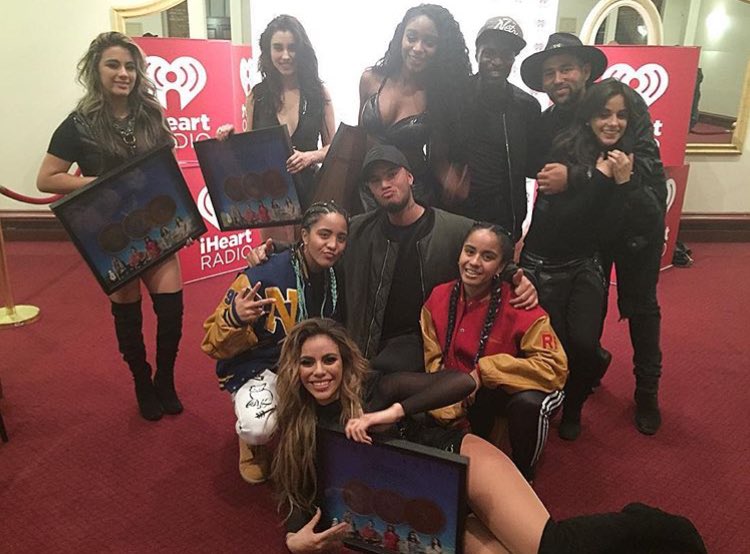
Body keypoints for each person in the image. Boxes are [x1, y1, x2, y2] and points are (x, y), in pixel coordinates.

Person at [272, 318, 706, 554]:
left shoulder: (375, 387)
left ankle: (646, 523)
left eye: (329, 359)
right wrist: (295, 541)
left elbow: (462, 382)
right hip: (422, 509)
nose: (320, 372)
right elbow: (296, 497)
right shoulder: (297, 428)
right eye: (308, 363)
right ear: (294, 368)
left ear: (344, 361)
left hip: (457, 461)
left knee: (550, 549)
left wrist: (391, 412)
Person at [522, 33, 666, 435]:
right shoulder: (550, 120)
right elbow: (538, 168)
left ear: (586, 70)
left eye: (566, 68)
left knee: (641, 307)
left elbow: (641, 168)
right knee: (591, 311)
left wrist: (578, 176)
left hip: (636, 226)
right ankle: (589, 367)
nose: (558, 79)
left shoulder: (621, 102)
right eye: (550, 73)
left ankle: (647, 392)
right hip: (590, 231)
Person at [37, 32, 183, 422]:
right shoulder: (78, 124)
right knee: (128, 314)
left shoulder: (151, 113)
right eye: (113, 65)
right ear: (95, 70)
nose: (123, 73)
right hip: (111, 232)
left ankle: (165, 379)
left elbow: (165, 166)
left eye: (130, 66)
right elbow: (47, 178)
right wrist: (102, 182)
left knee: (171, 311)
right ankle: (142, 382)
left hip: (158, 226)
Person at [345, 145, 537, 372]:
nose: (385, 184)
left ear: (409, 177)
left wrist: (519, 278)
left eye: (392, 174)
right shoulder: (358, 230)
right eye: (375, 180)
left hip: (434, 341)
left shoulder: (453, 229)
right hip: (373, 343)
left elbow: (492, 253)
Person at [520, 78, 637, 440]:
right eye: (604, 114)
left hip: (584, 262)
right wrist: (597, 177)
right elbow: (566, 217)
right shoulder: (563, 148)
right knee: (547, 345)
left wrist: (621, 183)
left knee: (584, 345)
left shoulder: (621, 157)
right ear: (588, 117)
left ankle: (573, 406)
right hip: (541, 262)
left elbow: (611, 229)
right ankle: (546, 404)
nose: (613, 123)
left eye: (621, 115)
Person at [201, 202, 348, 484]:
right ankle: (252, 445)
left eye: (341, 238)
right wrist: (235, 317)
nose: (332, 245)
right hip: (264, 365)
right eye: (324, 234)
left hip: (312, 363)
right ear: (304, 235)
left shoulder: (338, 275)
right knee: (259, 426)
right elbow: (210, 343)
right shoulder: (263, 274)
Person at [421, 223, 567, 480]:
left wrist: (486, 371)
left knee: (529, 405)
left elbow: (554, 368)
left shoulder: (520, 304)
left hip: (507, 390)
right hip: (461, 390)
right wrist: (447, 398)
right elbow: (433, 359)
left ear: (501, 267)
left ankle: (524, 472)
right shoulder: (439, 297)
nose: (474, 262)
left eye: (487, 257)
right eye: (470, 251)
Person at [216, 15, 335, 210]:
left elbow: (333, 148)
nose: (285, 56)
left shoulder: (318, 94)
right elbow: (248, 152)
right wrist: (230, 137)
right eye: (278, 48)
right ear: (268, 51)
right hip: (269, 198)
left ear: (302, 50)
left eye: (292, 47)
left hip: (311, 193)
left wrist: (310, 157)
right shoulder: (256, 96)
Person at [359, 4, 472, 208]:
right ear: (401, 37)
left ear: (440, 48)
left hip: (412, 195)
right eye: (411, 37)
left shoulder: (438, 98)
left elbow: (437, 160)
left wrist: (456, 185)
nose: (418, 48)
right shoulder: (371, 79)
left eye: (429, 42)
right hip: (368, 190)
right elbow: (358, 137)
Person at [453, 17, 541, 240]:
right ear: (477, 54)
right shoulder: (456, 97)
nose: (497, 61)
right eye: (489, 53)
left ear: (513, 59)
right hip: (456, 213)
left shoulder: (527, 107)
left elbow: (532, 165)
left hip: (504, 216)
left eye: (506, 55)